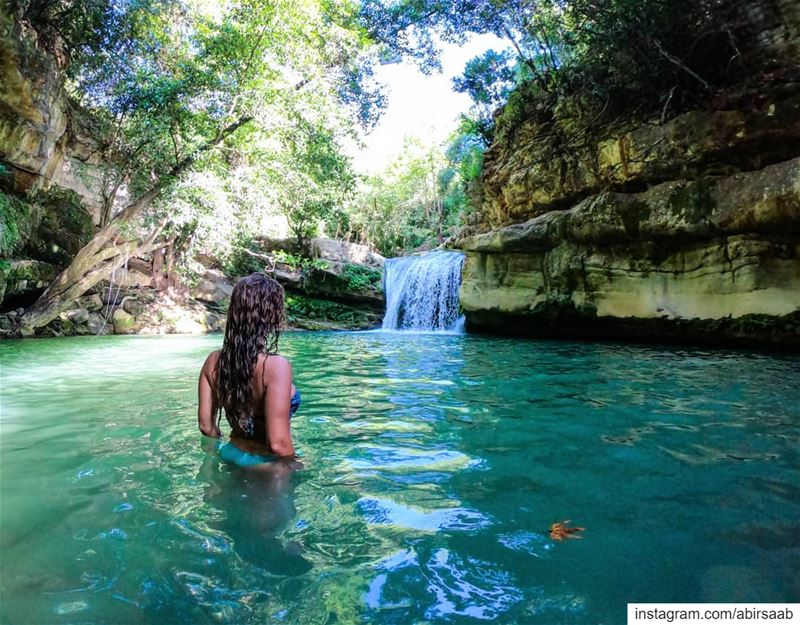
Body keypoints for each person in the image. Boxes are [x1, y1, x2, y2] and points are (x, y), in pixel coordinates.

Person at [197, 272, 300, 466]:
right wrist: (298, 466)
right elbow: (278, 444)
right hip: (267, 466)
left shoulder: (213, 361)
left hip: (230, 455)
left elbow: (206, 426)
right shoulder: (277, 366)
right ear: (271, 316)